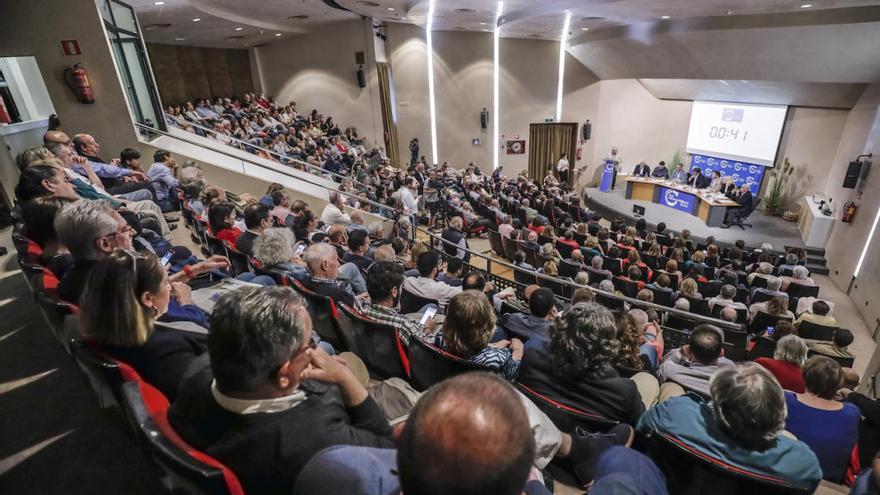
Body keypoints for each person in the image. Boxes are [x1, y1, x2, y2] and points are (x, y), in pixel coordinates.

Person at [168, 286, 394, 494]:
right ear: (285, 375)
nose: (315, 351)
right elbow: (387, 448)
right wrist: (344, 378)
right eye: (310, 345)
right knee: (352, 364)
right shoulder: (318, 441)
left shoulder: (197, 372)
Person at [637, 364, 822, 492]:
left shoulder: (673, 413)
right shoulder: (803, 465)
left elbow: (640, 434)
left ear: (717, 402)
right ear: (778, 412)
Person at [78, 249, 207, 400]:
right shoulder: (167, 350)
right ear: (147, 298)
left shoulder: (104, 331)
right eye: (166, 282)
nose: (170, 288)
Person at [518, 303, 647, 425]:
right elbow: (639, 430)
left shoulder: (532, 359)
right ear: (609, 344)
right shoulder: (625, 392)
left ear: (562, 329)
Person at [784, 356, 860, 482]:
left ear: (804, 376)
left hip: (784, 472)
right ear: (839, 384)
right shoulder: (852, 412)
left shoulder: (784, 398)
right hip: (827, 480)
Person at [433, 290, 523, 381]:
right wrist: (518, 350)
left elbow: (464, 344)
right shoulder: (500, 358)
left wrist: (493, 346)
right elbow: (513, 372)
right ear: (488, 324)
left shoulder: (441, 338)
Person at [361, 261, 435, 345]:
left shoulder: (361, 306)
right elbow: (427, 345)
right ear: (394, 291)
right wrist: (428, 329)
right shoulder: (402, 324)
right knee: (432, 308)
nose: (401, 291)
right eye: (401, 287)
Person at [658, 324, 734, 398]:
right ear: (721, 353)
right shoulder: (730, 383)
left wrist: (680, 352)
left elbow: (661, 368)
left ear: (689, 351)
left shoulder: (669, 371)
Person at [301, 242, 362, 308]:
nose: (338, 264)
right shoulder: (338, 295)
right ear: (325, 265)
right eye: (336, 260)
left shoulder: (302, 283)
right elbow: (361, 313)